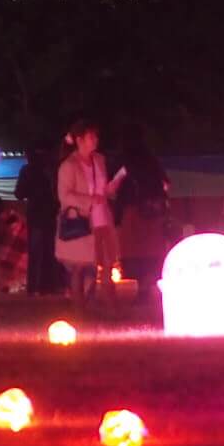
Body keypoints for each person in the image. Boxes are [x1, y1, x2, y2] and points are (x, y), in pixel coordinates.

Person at [55, 120, 120, 313]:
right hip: (82, 222)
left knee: (107, 263)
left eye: (96, 136)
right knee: (80, 266)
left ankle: (112, 307)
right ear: (79, 140)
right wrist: (90, 200)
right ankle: (79, 308)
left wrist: (111, 188)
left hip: (103, 218)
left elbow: (102, 188)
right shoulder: (69, 165)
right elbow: (64, 195)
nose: (96, 140)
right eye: (91, 136)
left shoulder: (99, 160)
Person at [112, 127, 173, 319]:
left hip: (133, 211)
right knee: (151, 250)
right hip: (153, 212)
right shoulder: (151, 160)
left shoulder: (125, 162)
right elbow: (166, 183)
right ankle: (148, 287)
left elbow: (114, 185)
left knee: (134, 251)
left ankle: (141, 289)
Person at [15, 143, 61, 297]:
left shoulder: (28, 170)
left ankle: (33, 286)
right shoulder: (52, 168)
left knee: (35, 252)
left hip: (36, 214)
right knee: (50, 250)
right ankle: (48, 285)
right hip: (50, 214)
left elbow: (19, 193)